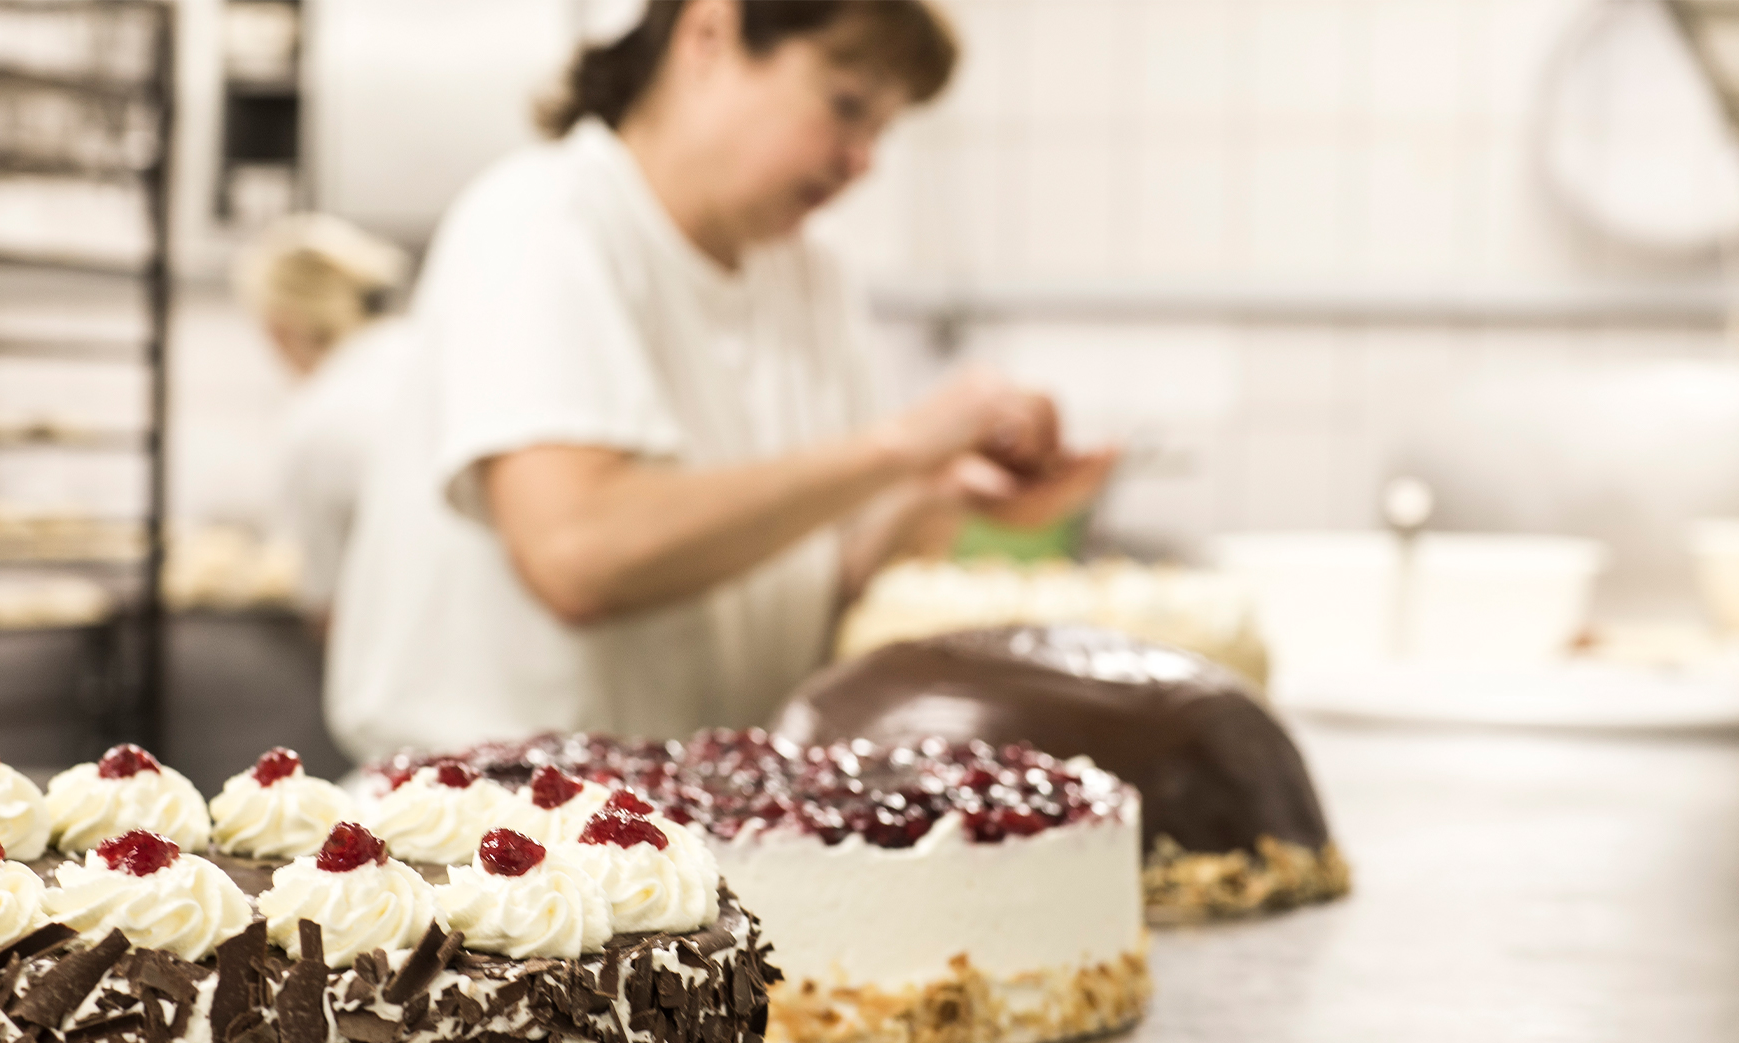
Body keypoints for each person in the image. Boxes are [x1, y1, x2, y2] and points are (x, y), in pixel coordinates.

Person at [326, 0, 1117, 761]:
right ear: (709, 32)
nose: (864, 160)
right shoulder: (544, 219)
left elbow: (815, 574)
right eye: (846, 105)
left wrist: (949, 496)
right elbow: (578, 552)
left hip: (706, 826)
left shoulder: (811, 277)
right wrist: (897, 449)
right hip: (490, 843)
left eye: (882, 129)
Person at [235, 214, 414, 630]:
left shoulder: (315, 422)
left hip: (403, 663)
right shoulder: (426, 354)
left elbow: (326, 605)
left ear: (278, 328)